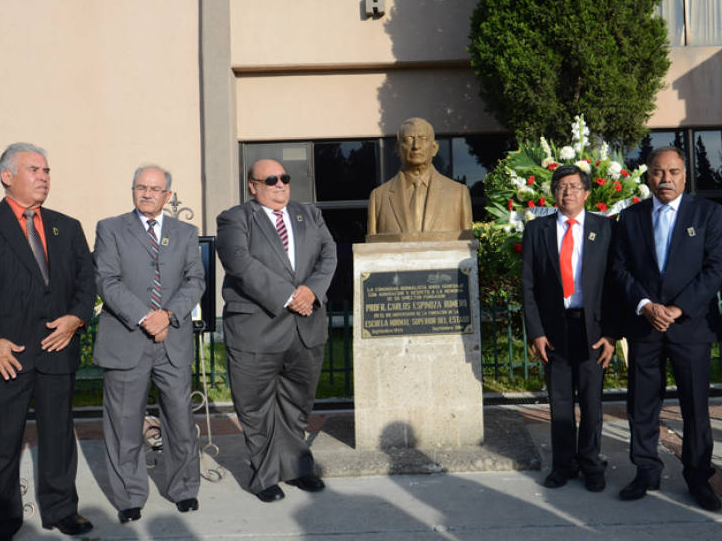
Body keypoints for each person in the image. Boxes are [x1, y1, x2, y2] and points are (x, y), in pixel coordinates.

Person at [0, 143, 95, 540]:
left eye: (47, 170)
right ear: (7, 176)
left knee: (59, 438)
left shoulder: (68, 225)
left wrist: (76, 318)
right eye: (34, 169)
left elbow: (87, 281)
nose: (44, 177)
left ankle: (62, 510)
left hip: (56, 350)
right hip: (3, 354)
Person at [610, 146, 722, 510]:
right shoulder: (630, 218)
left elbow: (715, 268)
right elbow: (620, 269)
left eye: (673, 172)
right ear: (648, 177)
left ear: (685, 175)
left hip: (690, 326)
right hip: (645, 326)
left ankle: (697, 476)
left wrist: (676, 308)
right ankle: (646, 470)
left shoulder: (708, 213)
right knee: (642, 403)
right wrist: (646, 306)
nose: (666, 179)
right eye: (658, 172)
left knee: (695, 406)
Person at [215, 159, 337, 502]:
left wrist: (311, 291)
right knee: (255, 408)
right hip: (257, 329)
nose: (280, 184)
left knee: (296, 405)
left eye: (284, 178)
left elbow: (329, 254)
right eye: (271, 180)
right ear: (253, 186)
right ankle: (264, 476)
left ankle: (296, 469)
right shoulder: (235, 218)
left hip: (305, 328)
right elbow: (239, 262)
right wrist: (288, 296)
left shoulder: (309, 214)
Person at [93, 165, 206, 523]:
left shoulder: (186, 232)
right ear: (132, 190)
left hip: (171, 340)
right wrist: (146, 317)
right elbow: (107, 281)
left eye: (155, 189)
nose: (147, 194)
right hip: (127, 338)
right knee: (125, 424)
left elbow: (196, 279)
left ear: (167, 196)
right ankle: (129, 496)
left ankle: (184, 488)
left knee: (180, 421)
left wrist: (168, 315)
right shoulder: (110, 229)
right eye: (141, 187)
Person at [520, 164, 618, 492]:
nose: (568, 192)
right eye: (561, 186)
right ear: (553, 193)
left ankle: (591, 462)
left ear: (587, 192)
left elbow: (614, 283)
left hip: (592, 329)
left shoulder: (605, 229)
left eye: (575, 186)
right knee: (559, 400)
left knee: (592, 401)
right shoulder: (538, 231)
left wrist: (611, 334)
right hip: (554, 330)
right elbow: (528, 285)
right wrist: (536, 332)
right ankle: (562, 464)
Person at [367, 117, 473, 238]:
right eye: (408, 139)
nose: (416, 146)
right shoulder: (379, 197)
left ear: (434, 148)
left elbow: (467, 246)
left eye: (423, 139)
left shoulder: (458, 194)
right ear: (397, 148)